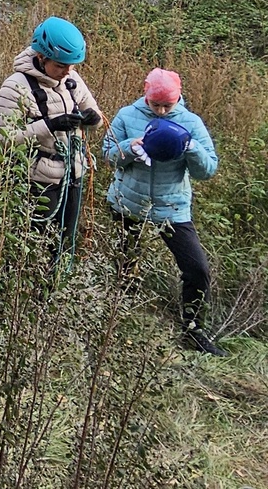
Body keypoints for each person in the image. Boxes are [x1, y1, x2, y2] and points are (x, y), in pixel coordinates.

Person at [104, 68, 226, 356]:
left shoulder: (190, 122)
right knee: (126, 267)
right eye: (155, 104)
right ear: (146, 94)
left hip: (172, 208)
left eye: (166, 106)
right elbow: (108, 155)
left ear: (177, 99)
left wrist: (190, 147)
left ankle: (194, 331)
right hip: (128, 204)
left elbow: (208, 170)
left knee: (197, 270)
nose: (160, 111)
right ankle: (118, 327)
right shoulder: (126, 115)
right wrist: (129, 147)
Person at [0, 16, 104, 274]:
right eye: (60, 66)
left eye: (71, 65)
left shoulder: (72, 81)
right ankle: (23, 291)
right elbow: (3, 138)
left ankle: (53, 293)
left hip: (73, 175)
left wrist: (91, 119)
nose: (67, 71)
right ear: (42, 58)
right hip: (38, 180)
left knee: (64, 242)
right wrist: (50, 126)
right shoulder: (15, 86)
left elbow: (95, 117)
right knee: (34, 243)